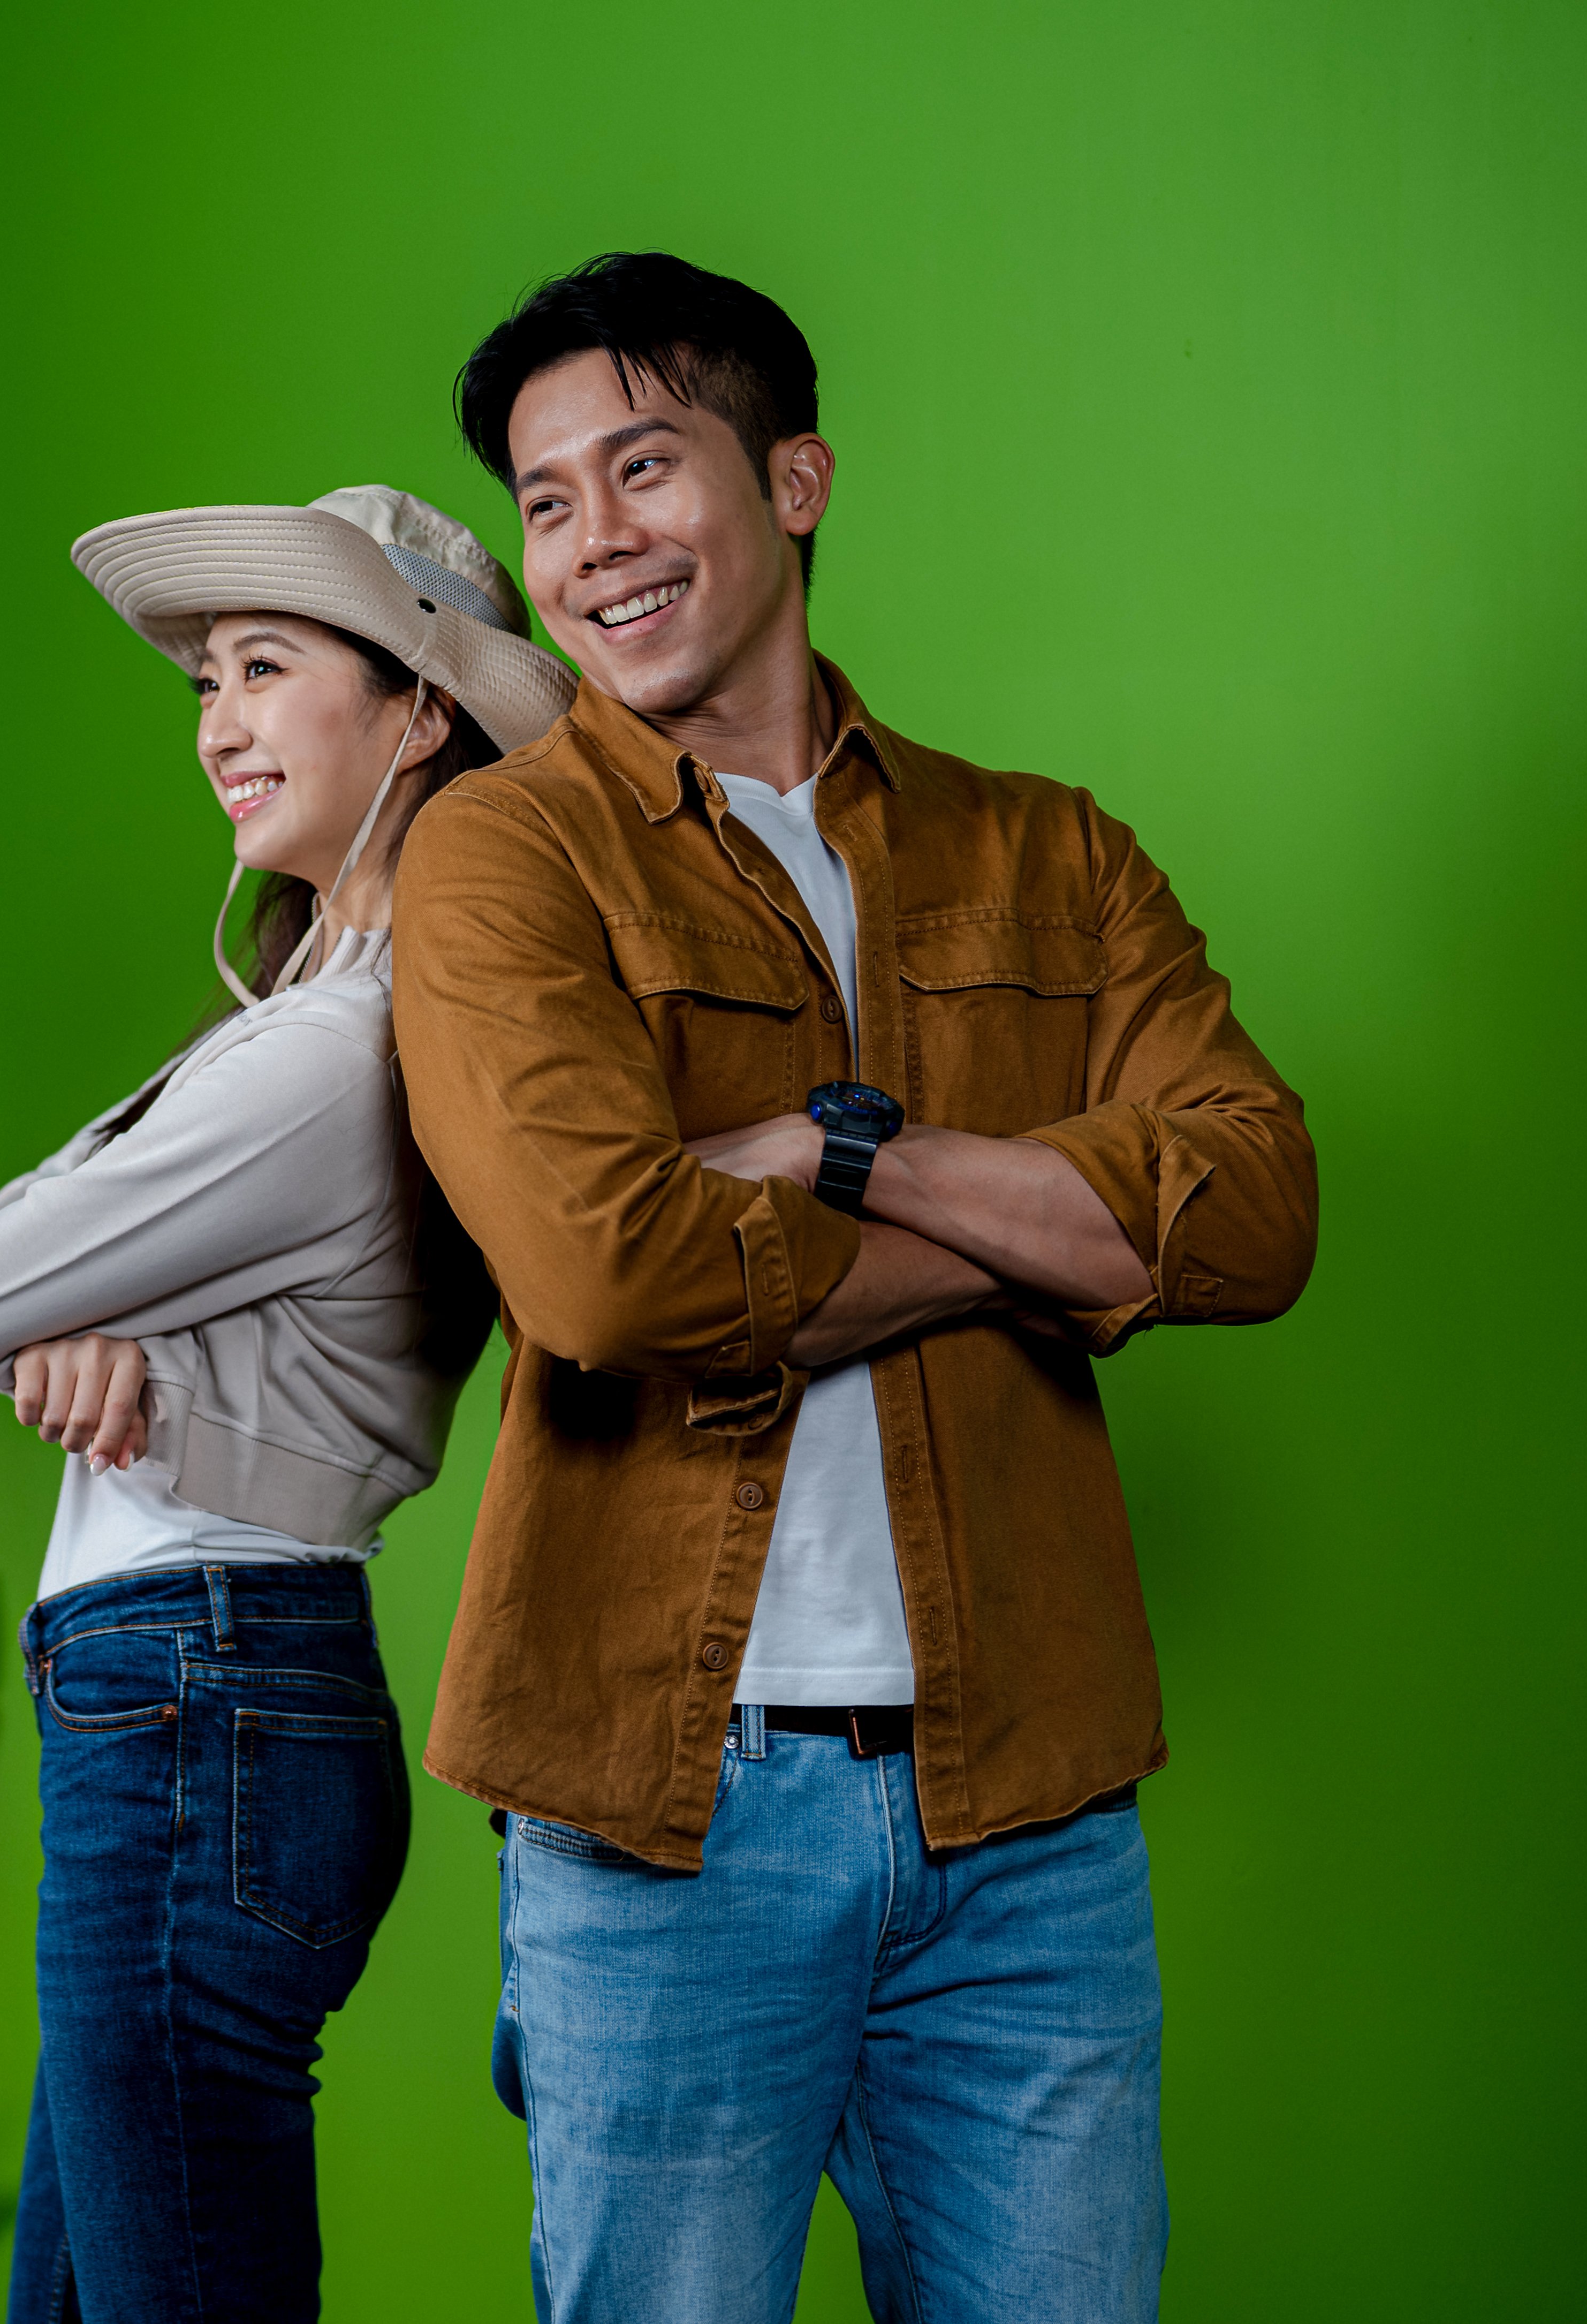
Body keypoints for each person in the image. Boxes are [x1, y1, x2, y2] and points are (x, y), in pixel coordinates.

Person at [390, 253, 1320, 2324]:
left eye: (644, 465)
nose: (591, 541)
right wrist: (1039, 1237)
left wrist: (844, 1150)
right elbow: (600, 1276)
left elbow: (1255, 1212)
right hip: (666, 1813)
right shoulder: (506, 858)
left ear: (792, 482)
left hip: (1029, 1816)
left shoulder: (1050, 857)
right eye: (545, 500)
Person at [0, 486, 574, 2323]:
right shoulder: (336, 1015)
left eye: (266, 668)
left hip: (196, 1705)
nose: (216, 723)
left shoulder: (325, 1054)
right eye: (208, 681)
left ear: (421, 712)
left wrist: (95, 1306)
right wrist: (134, 1336)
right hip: (214, 1696)